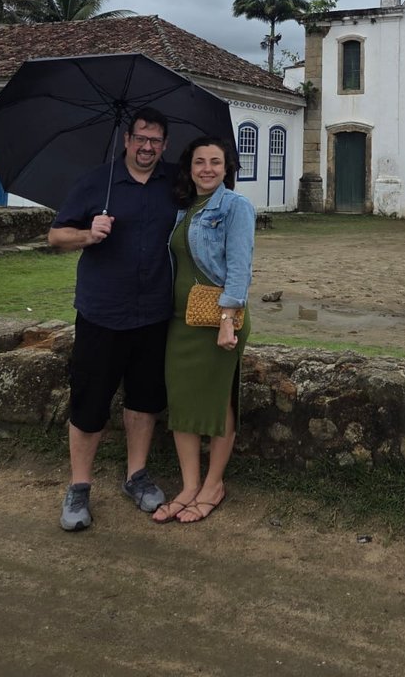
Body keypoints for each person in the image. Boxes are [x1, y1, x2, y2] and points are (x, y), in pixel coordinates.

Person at [48, 108, 178, 532]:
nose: (147, 147)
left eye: (155, 141)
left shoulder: (173, 184)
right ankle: (79, 486)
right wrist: (89, 234)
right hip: (101, 313)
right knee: (89, 403)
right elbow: (56, 236)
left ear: (165, 145)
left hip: (154, 313)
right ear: (126, 139)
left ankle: (136, 476)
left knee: (144, 401)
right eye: (141, 138)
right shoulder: (96, 182)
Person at [152, 135, 255, 524]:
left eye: (216, 162)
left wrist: (227, 320)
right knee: (182, 402)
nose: (207, 169)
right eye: (200, 162)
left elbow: (240, 267)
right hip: (181, 320)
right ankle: (189, 486)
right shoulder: (183, 208)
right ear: (189, 167)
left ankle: (213, 485)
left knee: (216, 403)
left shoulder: (235, 206)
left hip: (218, 322)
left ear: (227, 167)